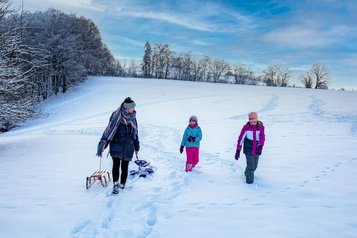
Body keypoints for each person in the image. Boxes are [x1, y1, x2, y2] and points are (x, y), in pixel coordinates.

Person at [96, 97, 140, 194]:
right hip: (117, 144)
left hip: (128, 146)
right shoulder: (116, 116)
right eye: (132, 108)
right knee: (116, 165)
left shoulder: (133, 117)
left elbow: (136, 133)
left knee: (125, 166)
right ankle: (115, 184)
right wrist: (104, 144)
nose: (133, 109)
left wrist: (137, 146)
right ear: (127, 108)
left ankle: (122, 184)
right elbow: (110, 130)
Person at [235, 112, 265, 184]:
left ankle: (247, 172)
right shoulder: (246, 128)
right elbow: (241, 138)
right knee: (251, 166)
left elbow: (262, 137)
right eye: (251, 122)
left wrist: (260, 145)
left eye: (254, 121)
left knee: (255, 166)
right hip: (248, 148)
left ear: (257, 120)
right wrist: (238, 150)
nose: (253, 123)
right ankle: (249, 183)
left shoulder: (261, 127)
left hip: (257, 148)